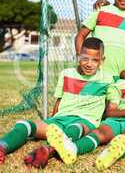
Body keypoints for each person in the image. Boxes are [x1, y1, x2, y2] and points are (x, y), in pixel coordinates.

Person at [0, 37, 113, 168]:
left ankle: (47, 150)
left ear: (102, 61)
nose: (89, 63)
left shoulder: (108, 79)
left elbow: (110, 106)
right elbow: (59, 101)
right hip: (60, 119)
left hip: (85, 121)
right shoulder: (66, 74)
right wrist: (53, 120)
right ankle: (2, 147)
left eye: (95, 60)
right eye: (85, 58)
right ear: (78, 56)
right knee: (25, 125)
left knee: (74, 128)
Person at [46, 49, 125, 168]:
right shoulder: (118, 85)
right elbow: (109, 113)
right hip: (115, 121)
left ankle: (109, 155)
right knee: (98, 133)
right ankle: (73, 149)